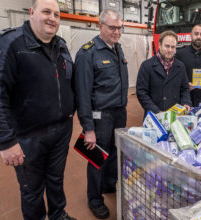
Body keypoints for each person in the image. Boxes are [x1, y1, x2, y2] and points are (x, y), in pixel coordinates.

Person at [0, 0, 76, 219]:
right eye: (46, 12)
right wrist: (6, 141)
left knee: (56, 179)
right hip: (27, 137)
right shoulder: (10, 43)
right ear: (32, 13)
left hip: (61, 130)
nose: (52, 18)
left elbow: (67, 81)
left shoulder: (60, 44)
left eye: (56, 14)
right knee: (32, 190)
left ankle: (58, 214)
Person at [74, 9, 128, 219]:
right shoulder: (88, 53)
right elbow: (83, 94)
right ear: (100, 27)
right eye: (112, 27)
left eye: (119, 28)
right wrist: (88, 128)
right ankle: (94, 199)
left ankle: (107, 185)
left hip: (118, 113)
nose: (117, 32)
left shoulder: (117, 49)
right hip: (100, 116)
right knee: (97, 156)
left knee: (114, 152)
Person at [136, 30, 192, 113]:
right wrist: (157, 111)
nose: (170, 50)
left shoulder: (180, 66)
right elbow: (142, 93)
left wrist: (186, 102)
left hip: (175, 115)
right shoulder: (147, 66)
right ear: (159, 45)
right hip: (154, 116)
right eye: (167, 46)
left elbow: (185, 89)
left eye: (173, 47)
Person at [175, 24, 201, 107]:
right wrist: (184, 85)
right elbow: (174, 76)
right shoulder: (180, 54)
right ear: (191, 35)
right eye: (196, 34)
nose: (198, 37)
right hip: (183, 100)